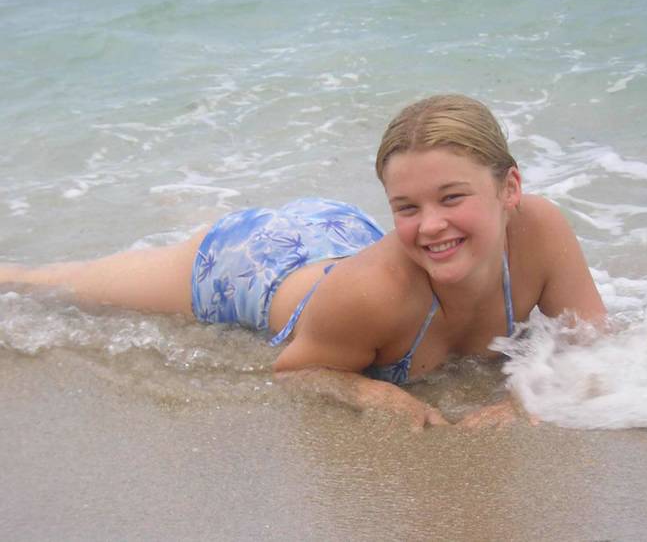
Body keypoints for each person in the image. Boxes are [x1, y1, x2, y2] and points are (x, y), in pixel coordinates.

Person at [0, 95, 605, 429]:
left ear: (509, 188)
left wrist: (525, 402)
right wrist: (372, 396)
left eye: (452, 198)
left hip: (338, 233)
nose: (430, 225)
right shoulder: (372, 293)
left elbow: (596, 342)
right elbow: (295, 369)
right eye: (407, 207)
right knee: (61, 286)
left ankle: (197, 209)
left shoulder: (540, 231)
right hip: (254, 266)